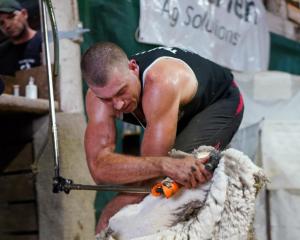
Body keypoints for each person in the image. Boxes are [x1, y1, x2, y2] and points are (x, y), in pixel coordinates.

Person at [81, 42, 244, 233]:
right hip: (170, 110)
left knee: (167, 189)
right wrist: (164, 165)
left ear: (133, 68)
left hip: (218, 102)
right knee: (152, 185)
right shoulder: (95, 97)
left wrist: (111, 212)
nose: (117, 105)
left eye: (121, 92)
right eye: (106, 99)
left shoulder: (161, 81)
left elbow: (152, 177)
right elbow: (99, 169)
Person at [0, 0, 42, 76]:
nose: (7, 25)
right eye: (1, 23)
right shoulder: (2, 53)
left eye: (11, 17)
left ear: (24, 14)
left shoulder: (44, 43)